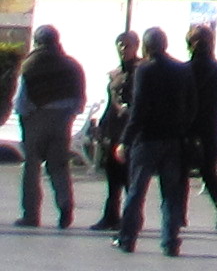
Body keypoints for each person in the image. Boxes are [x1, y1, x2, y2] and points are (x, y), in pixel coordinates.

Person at [114, 27, 194, 257]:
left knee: (137, 190)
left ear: (146, 47)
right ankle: (170, 241)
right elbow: (192, 104)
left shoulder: (144, 70)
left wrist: (125, 141)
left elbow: (138, 109)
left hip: (147, 138)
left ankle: (127, 238)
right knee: (171, 193)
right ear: (165, 44)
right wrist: (182, 128)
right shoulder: (182, 69)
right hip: (173, 139)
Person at [13, 22, 84, 227]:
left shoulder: (30, 65)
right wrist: (67, 114)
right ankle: (65, 206)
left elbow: (21, 101)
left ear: (37, 42)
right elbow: (79, 99)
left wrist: (27, 119)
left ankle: (31, 215)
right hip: (62, 122)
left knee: (31, 168)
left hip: (36, 119)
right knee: (59, 166)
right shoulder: (72, 65)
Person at [180, 26, 217, 232]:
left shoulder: (184, 70)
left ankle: (180, 213)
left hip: (189, 128)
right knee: (209, 170)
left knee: (180, 171)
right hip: (214, 127)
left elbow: (181, 100)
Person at [89, 32, 137, 237]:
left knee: (128, 178)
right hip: (113, 130)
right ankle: (111, 216)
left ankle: (131, 218)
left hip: (130, 131)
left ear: (136, 46)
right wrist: (102, 125)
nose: (123, 49)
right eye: (120, 45)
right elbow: (111, 102)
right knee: (113, 177)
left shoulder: (140, 71)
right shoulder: (116, 73)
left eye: (127, 45)